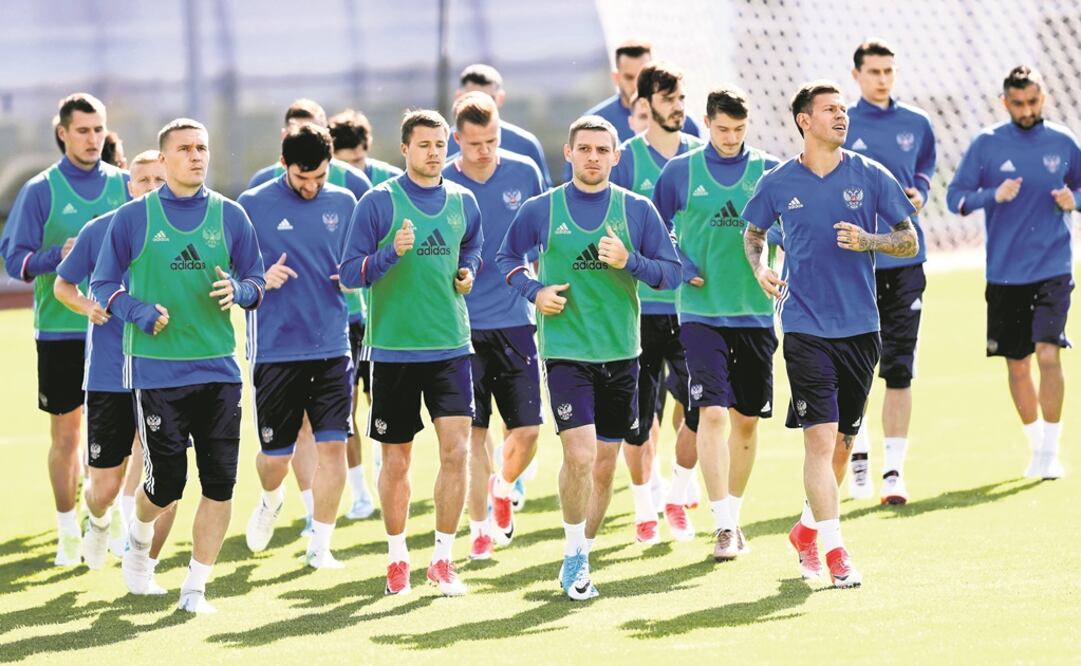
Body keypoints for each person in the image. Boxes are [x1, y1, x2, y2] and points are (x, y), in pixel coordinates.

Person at [497, 115, 681, 600]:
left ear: (616, 157)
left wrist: (630, 262)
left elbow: (671, 274)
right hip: (565, 353)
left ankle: (583, 551)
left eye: (603, 149)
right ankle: (575, 557)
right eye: (585, 149)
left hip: (622, 354)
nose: (594, 157)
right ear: (569, 153)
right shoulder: (543, 209)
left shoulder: (637, 210)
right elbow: (505, 259)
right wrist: (534, 291)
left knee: (604, 463)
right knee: (579, 455)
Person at [742, 81, 918, 588]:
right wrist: (759, 269)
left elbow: (908, 239)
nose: (842, 117)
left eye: (844, 110)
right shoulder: (778, 182)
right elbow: (752, 233)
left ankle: (805, 530)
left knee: (842, 443)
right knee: (819, 441)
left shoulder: (870, 175)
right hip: (804, 327)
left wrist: (870, 240)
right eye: (830, 111)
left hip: (861, 328)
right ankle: (836, 552)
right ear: (805, 120)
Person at [92, 118, 265, 612]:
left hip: (219, 372)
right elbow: (103, 286)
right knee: (165, 483)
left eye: (202, 148)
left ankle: (195, 587)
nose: (196, 156)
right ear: (163, 160)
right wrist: (138, 312)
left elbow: (255, 281)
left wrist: (241, 290)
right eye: (185, 149)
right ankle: (140, 541)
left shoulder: (231, 216)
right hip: (155, 371)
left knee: (219, 484)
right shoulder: (133, 219)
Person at [339, 109, 483, 597]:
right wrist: (390, 254)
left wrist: (468, 271)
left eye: (441, 143)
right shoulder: (378, 203)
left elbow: (472, 248)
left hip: (451, 348)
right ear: (405, 149)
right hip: (394, 352)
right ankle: (397, 556)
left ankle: (443, 559)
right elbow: (350, 273)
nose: (434, 152)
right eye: (424, 144)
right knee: (397, 462)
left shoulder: (464, 200)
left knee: (458, 452)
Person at [654, 85, 781, 558]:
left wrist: (775, 267)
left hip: (755, 313)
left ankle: (736, 511)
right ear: (706, 123)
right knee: (710, 412)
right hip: (700, 314)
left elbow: (789, 228)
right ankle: (723, 525)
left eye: (739, 130)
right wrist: (683, 264)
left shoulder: (768, 170)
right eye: (723, 129)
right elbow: (653, 226)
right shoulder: (680, 171)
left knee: (746, 421)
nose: (731, 138)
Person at [2, 92, 129, 566]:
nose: (93, 138)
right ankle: (66, 531)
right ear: (63, 133)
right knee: (67, 437)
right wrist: (60, 254)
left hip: (116, 332)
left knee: (123, 436)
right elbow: (15, 261)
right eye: (83, 130)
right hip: (61, 333)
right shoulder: (41, 190)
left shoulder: (124, 185)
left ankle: (111, 518)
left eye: (99, 130)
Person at [947, 65, 1080, 480]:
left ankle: (1053, 450)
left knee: (1047, 353)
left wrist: (1072, 198)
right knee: (1018, 364)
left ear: (1044, 97)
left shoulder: (1063, 141)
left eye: (1033, 101)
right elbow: (955, 198)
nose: (1027, 109)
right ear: (1005, 102)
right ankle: (1037, 445)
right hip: (1004, 273)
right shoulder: (986, 144)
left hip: (1053, 267)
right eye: (1018, 103)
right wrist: (992, 195)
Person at [250, 99, 372, 537]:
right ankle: (270, 498)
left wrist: (357, 275)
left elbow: (366, 257)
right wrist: (261, 278)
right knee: (275, 458)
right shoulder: (253, 202)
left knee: (334, 443)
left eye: (320, 176)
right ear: (284, 163)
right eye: (303, 177)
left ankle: (321, 543)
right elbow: (233, 271)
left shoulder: (347, 195)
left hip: (334, 342)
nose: (312, 186)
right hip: (277, 345)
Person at [54, 150, 177, 577]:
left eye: (159, 180)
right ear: (129, 184)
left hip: (163, 372)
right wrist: (88, 306)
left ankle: (138, 553)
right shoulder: (100, 229)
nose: (151, 188)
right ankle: (100, 519)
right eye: (143, 180)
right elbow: (62, 285)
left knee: (158, 468)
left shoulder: (181, 230)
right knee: (102, 486)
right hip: (108, 376)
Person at [442, 92, 545, 560]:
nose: (486, 150)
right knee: (473, 433)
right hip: (460, 327)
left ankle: (502, 488)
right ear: (457, 139)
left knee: (527, 430)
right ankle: (479, 527)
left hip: (517, 318)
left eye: (493, 140)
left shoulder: (524, 171)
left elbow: (541, 238)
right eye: (476, 142)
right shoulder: (440, 180)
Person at [608, 61, 702, 545]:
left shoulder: (701, 156)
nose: (679, 108)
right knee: (639, 420)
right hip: (638, 311)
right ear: (644, 106)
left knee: (700, 408)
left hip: (694, 310)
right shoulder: (623, 161)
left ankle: (679, 493)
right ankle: (645, 505)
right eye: (668, 100)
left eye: (682, 98)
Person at [844, 39, 937, 504]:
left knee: (899, 368)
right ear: (857, 74)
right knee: (857, 365)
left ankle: (894, 473)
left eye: (889, 71)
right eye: (874, 71)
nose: (883, 78)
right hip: (853, 265)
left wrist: (918, 191)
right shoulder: (842, 123)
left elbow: (925, 167)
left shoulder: (916, 122)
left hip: (904, 263)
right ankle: (858, 454)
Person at [329, 107, 401, 518]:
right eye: (344, 161)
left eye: (358, 160)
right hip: (343, 317)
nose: (353, 169)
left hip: (383, 315)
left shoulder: (389, 184)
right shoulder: (325, 188)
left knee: (384, 406)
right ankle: (359, 492)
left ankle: (381, 469)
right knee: (348, 407)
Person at [445, 64, 552, 188]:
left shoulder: (526, 145)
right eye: (474, 143)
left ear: (500, 98)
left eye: (491, 141)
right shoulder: (442, 144)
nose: (480, 104)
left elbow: (544, 199)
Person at [248, 99, 373, 199]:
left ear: (327, 134)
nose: (310, 186)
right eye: (298, 132)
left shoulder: (355, 183)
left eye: (314, 131)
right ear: (285, 135)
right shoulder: (261, 182)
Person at [329, 109, 404, 185]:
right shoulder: (323, 182)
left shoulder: (393, 179)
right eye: (344, 163)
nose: (351, 169)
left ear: (369, 143)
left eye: (357, 161)